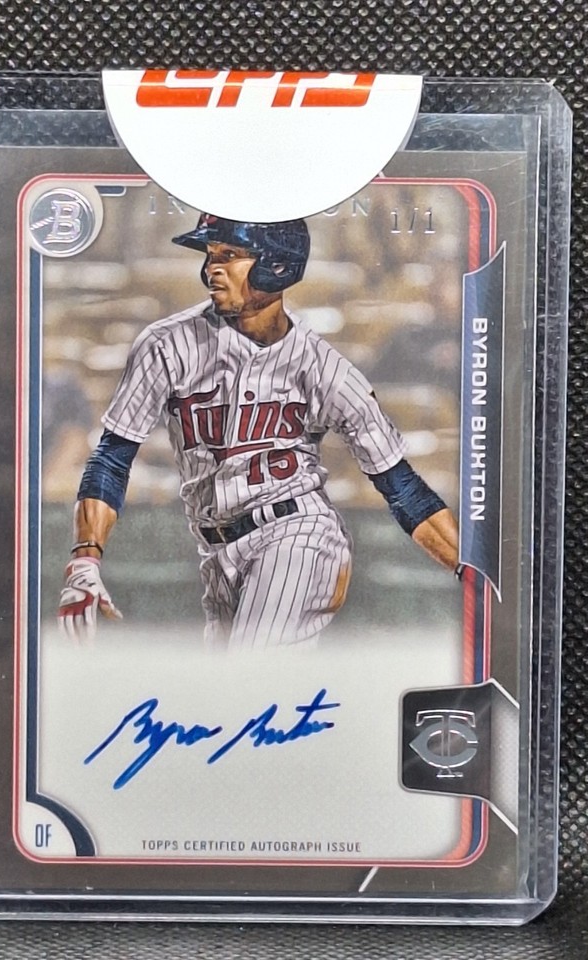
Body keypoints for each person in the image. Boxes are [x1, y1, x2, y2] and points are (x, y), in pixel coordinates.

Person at [58, 214, 458, 648]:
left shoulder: (323, 367)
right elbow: (112, 455)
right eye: (210, 256)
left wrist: (466, 568)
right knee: (240, 684)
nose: (212, 269)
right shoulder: (167, 345)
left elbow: (401, 486)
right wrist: (85, 559)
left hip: (298, 537)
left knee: (249, 669)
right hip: (216, 552)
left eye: (229, 255)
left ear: (277, 265)